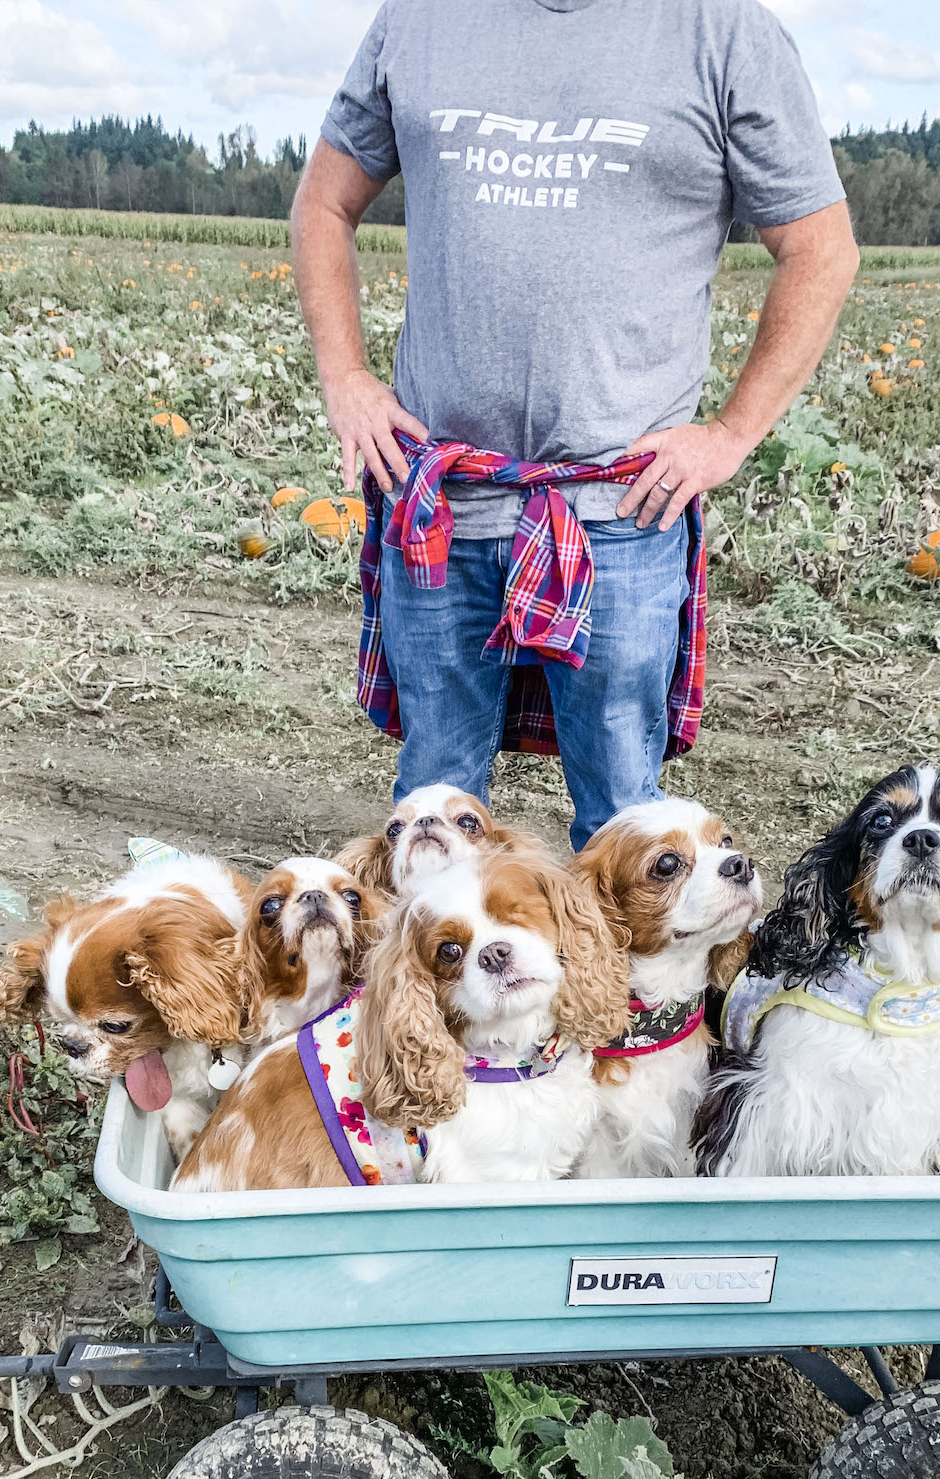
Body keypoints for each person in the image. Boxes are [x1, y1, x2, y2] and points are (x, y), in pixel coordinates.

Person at [291, 0, 859, 849]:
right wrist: (346, 379)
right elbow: (322, 205)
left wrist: (731, 435)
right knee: (433, 815)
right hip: (444, 504)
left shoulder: (723, 31)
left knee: (623, 827)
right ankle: (435, 981)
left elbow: (822, 246)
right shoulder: (419, 18)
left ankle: (623, 986)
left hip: (624, 512)